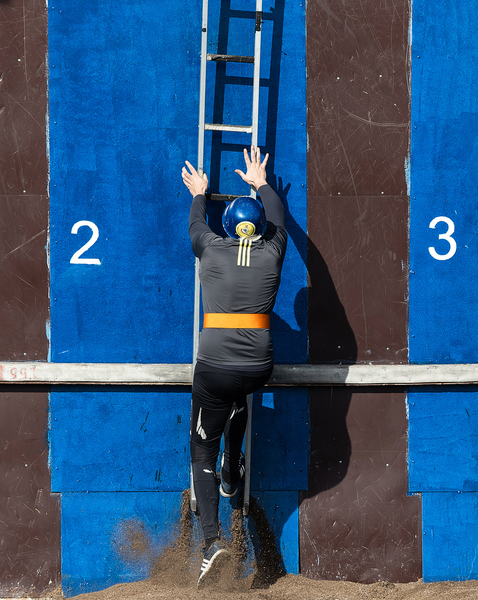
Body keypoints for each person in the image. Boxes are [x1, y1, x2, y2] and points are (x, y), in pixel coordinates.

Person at [180, 147, 288, 588]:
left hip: (215, 368)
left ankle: (211, 544)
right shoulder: (273, 251)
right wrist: (261, 182)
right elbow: (279, 219)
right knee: (238, 391)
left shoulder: (210, 248)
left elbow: (195, 225)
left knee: (200, 449)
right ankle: (232, 472)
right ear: (260, 229)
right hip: (257, 367)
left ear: (226, 227)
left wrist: (200, 192)